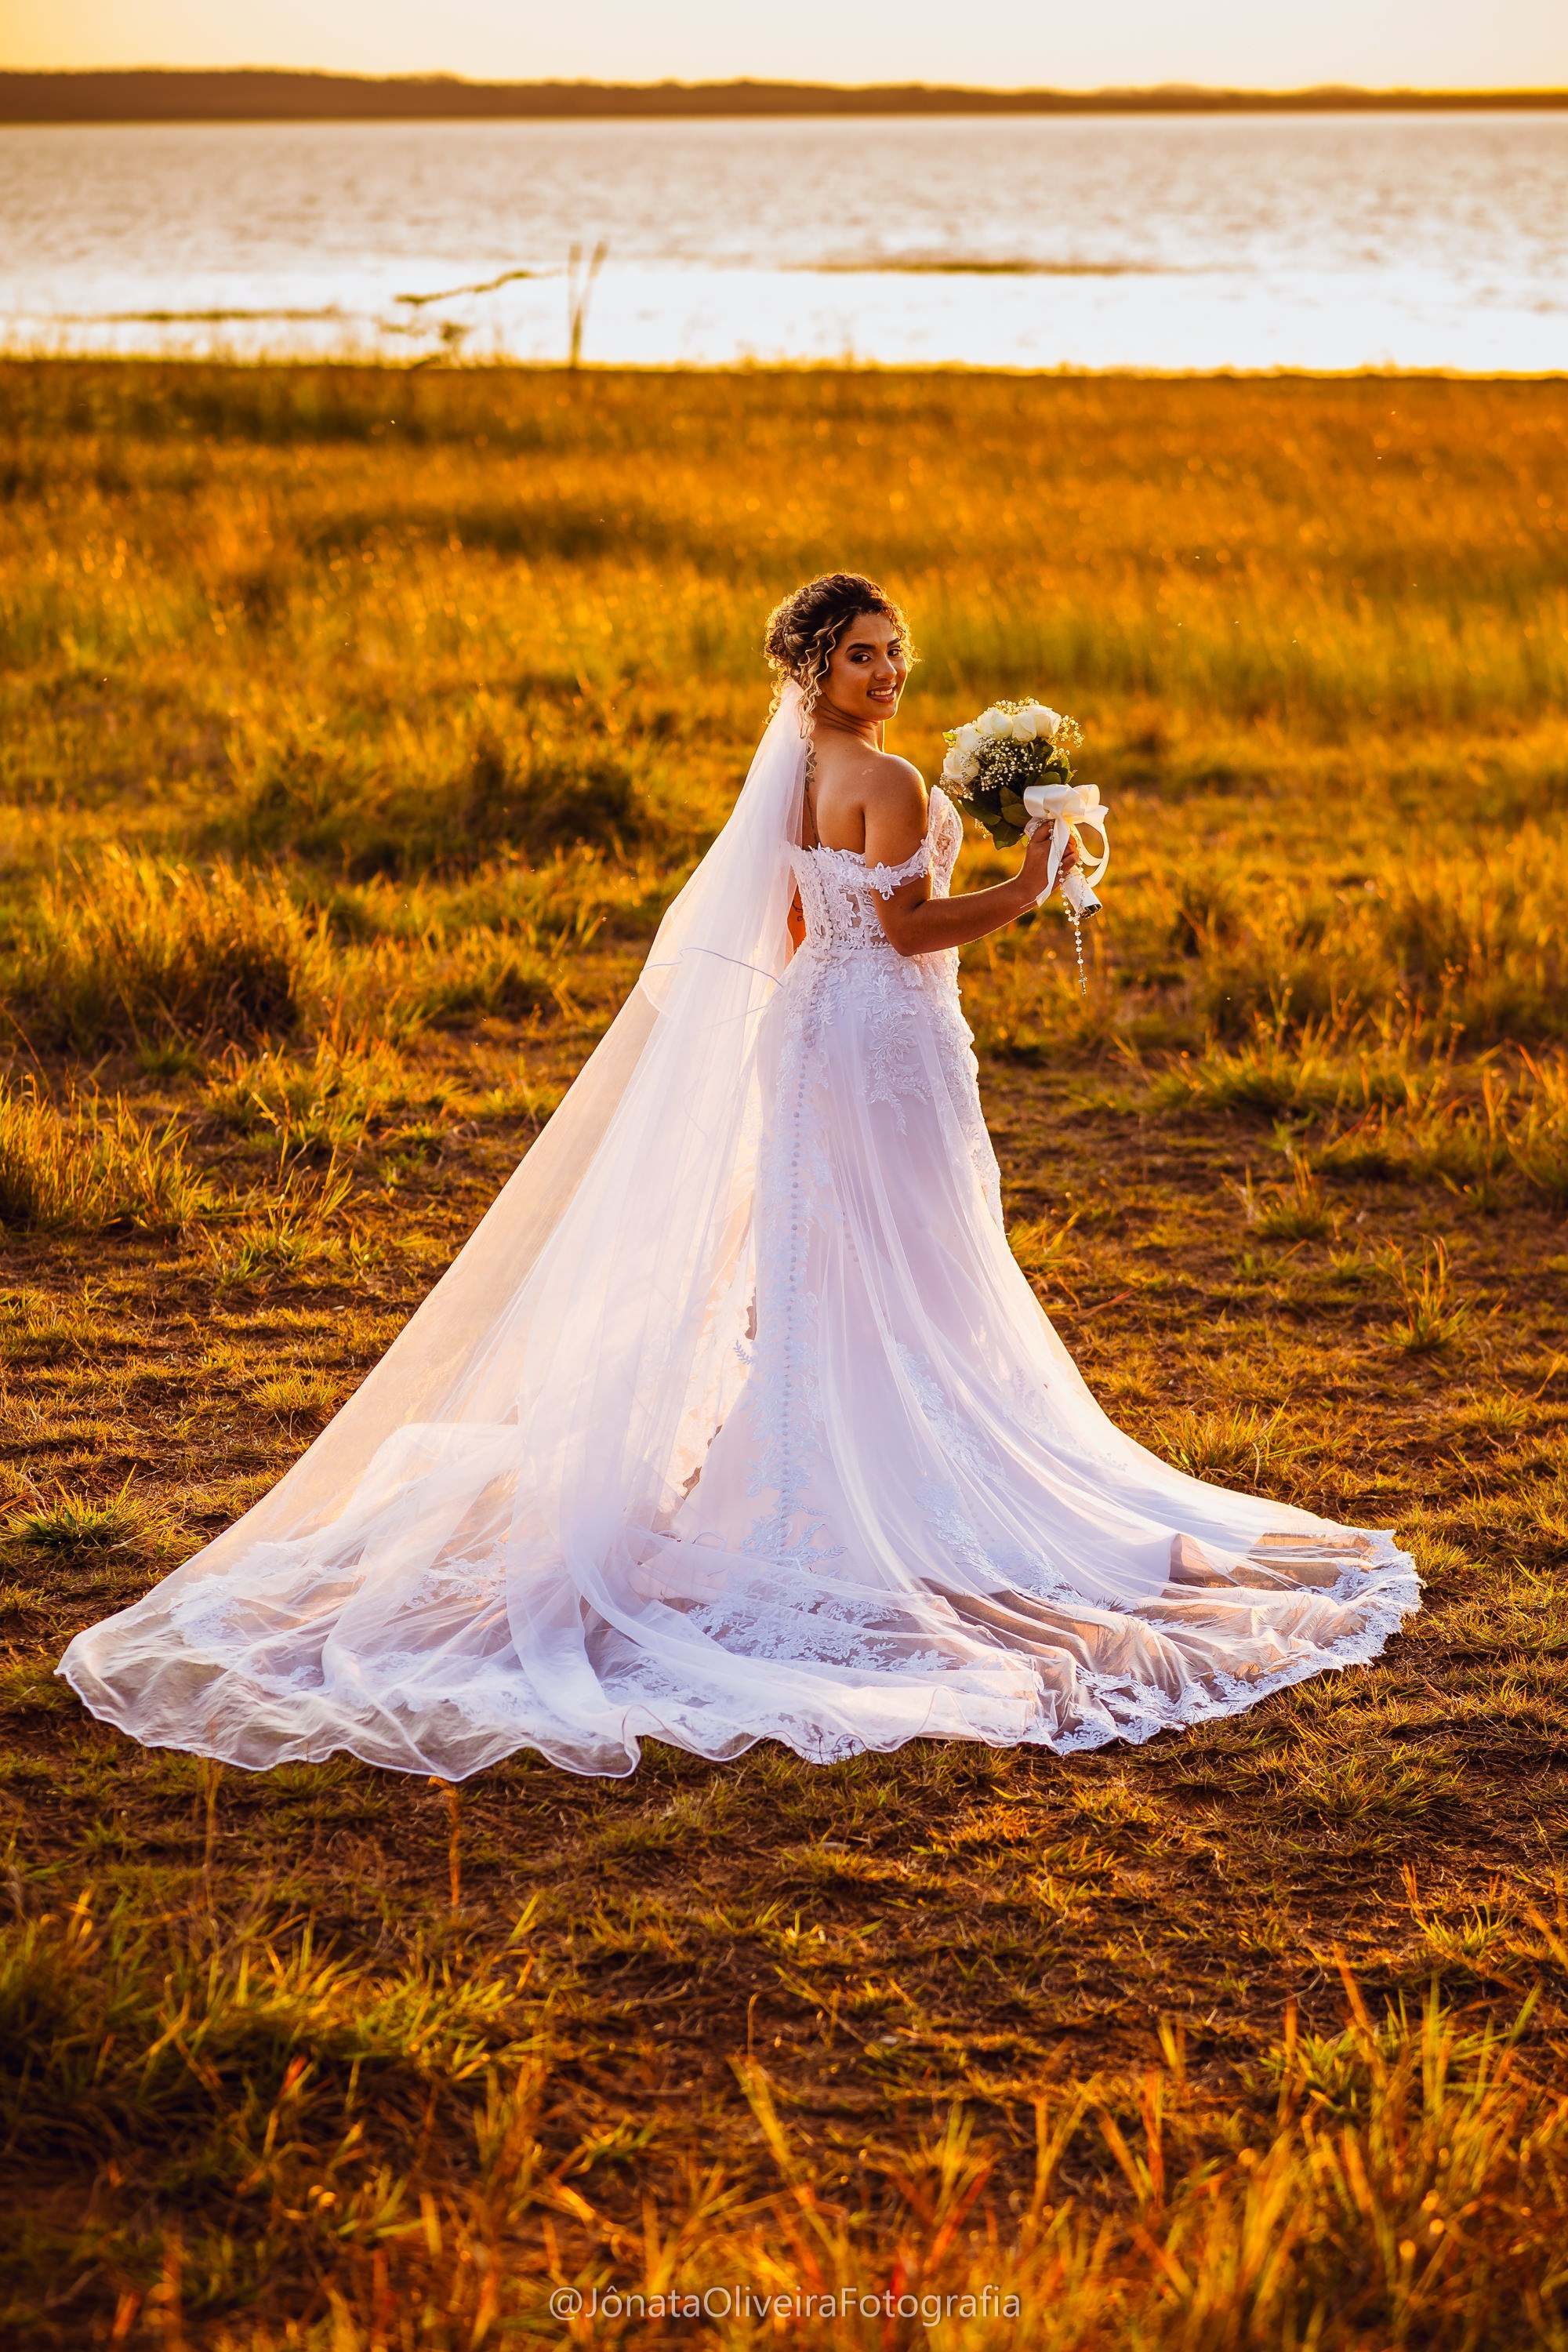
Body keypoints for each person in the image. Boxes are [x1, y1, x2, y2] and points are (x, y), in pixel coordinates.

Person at [60, 573, 1417, 1780]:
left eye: (898, 656)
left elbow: (795, 927)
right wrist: (1030, 879)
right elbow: (902, 930)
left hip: (815, 1032)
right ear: (816, 669)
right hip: (882, 1034)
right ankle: (890, 1485)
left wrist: (936, 919)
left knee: (835, 1257)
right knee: (916, 1257)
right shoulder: (885, 784)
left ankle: (812, 1467)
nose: (888, 678)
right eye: (864, 659)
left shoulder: (799, 771)